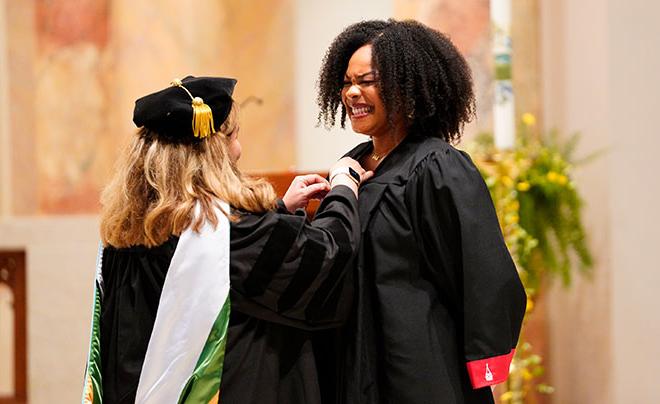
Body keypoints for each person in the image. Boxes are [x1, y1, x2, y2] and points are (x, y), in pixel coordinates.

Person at [81, 76, 371, 404]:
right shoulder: (227, 227)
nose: (238, 150)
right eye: (233, 137)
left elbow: (226, 261)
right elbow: (327, 259)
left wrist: (279, 208)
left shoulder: (128, 228)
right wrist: (345, 186)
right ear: (214, 149)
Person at [315, 19, 527, 403]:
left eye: (368, 81)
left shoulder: (437, 166)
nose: (352, 93)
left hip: (423, 367)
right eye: (347, 82)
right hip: (356, 364)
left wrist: (484, 365)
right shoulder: (351, 168)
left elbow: (483, 273)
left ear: (406, 85)